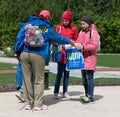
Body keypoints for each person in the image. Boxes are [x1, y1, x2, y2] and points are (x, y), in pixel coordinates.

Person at [14, 10, 76, 111]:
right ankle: (38, 104)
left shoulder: (27, 24)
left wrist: (17, 51)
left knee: (27, 79)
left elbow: (19, 38)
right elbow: (58, 38)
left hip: (25, 53)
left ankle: (28, 103)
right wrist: (70, 41)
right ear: (47, 18)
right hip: (39, 54)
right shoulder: (46, 27)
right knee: (39, 79)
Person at [53, 11, 79, 99]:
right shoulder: (59, 27)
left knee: (67, 74)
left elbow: (76, 40)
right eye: (63, 20)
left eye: (66, 20)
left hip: (69, 54)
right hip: (61, 53)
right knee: (59, 74)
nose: (64, 22)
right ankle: (56, 92)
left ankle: (65, 91)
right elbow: (55, 37)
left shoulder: (74, 29)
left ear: (69, 20)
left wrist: (72, 43)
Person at [75, 15, 99, 103]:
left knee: (89, 77)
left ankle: (90, 96)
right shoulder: (81, 32)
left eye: (83, 24)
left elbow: (94, 46)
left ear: (88, 24)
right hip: (82, 59)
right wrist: (75, 44)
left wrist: (83, 47)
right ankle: (86, 94)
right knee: (84, 78)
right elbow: (78, 41)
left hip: (90, 58)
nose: (82, 25)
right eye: (81, 24)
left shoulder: (93, 32)